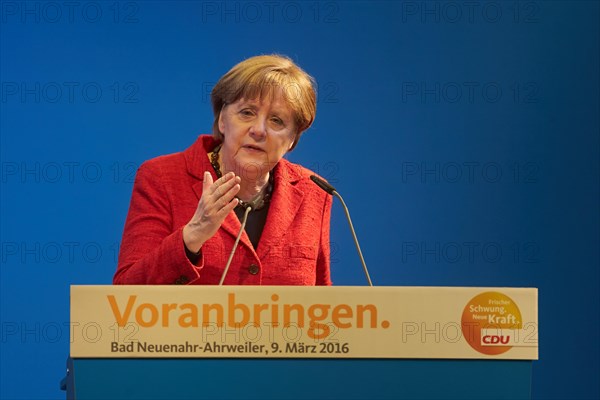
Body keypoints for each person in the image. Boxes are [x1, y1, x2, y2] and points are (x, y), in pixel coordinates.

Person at [113, 54, 332, 286]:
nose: (259, 130)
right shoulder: (161, 178)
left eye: (277, 121)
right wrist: (193, 235)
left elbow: (322, 306)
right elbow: (127, 291)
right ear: (222, 120)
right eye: (247, 112)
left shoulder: (314, 192)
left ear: (292, 140)